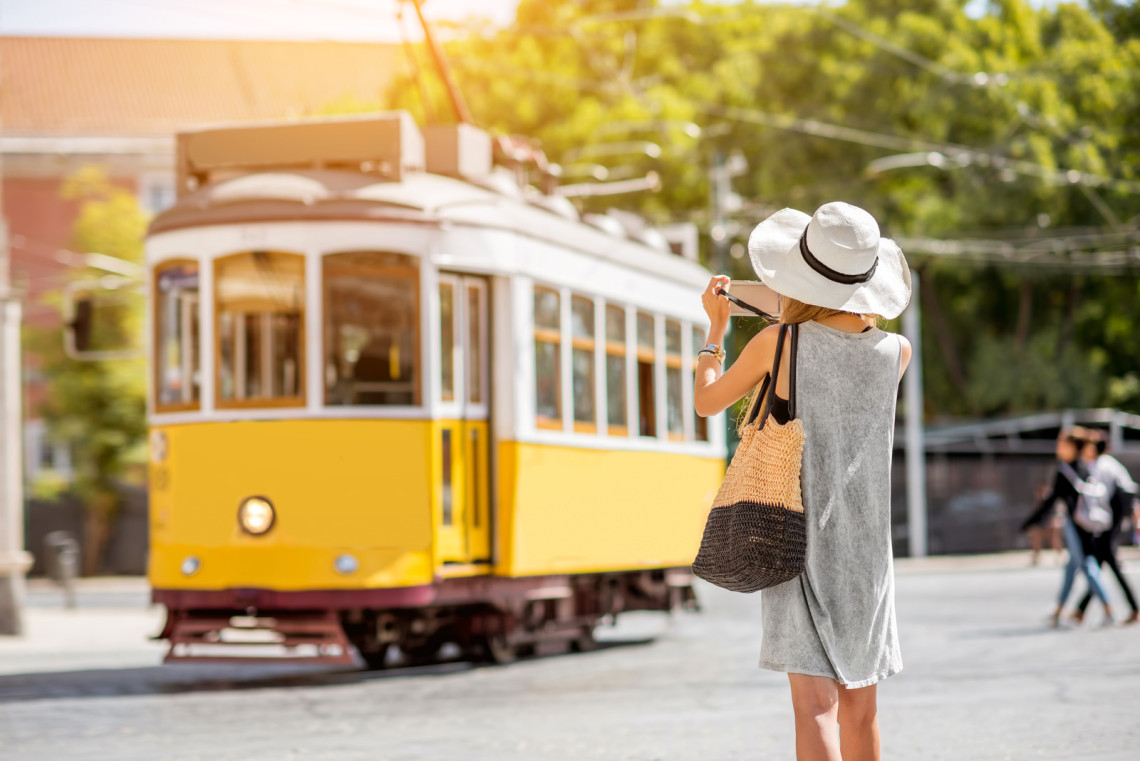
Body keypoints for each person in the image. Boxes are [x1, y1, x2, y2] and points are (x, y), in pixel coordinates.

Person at [694, 202, 912, 761]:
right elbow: (829, 317)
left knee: (814, 707)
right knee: (862, 709)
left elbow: (707, 401)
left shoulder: (777, 344)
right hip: (868, 552)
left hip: (794, 534)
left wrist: (715, 334)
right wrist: (767, 297)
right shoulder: (896, 352)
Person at [1020, 427, 1115, 627]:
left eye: (1062, 443)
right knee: (1071, 568)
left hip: (1075, 525)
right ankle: (1058, 611)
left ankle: (1108, 608)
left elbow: (1050, 501)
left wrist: (1030, 522)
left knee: (1087, 565)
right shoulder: (1086, 467)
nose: (1058, 447)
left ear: (1072, 446)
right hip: (1089, 524)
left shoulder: (1065, 471)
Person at [1072, 431, 1139, 624]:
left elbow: (1099, 497)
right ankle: (1081, 609)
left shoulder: (1099, 466)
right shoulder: (1113, 464)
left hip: (1109, 520)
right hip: (1115, 518)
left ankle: (1133, 608)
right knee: (1102, 560)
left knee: (1107, 560)